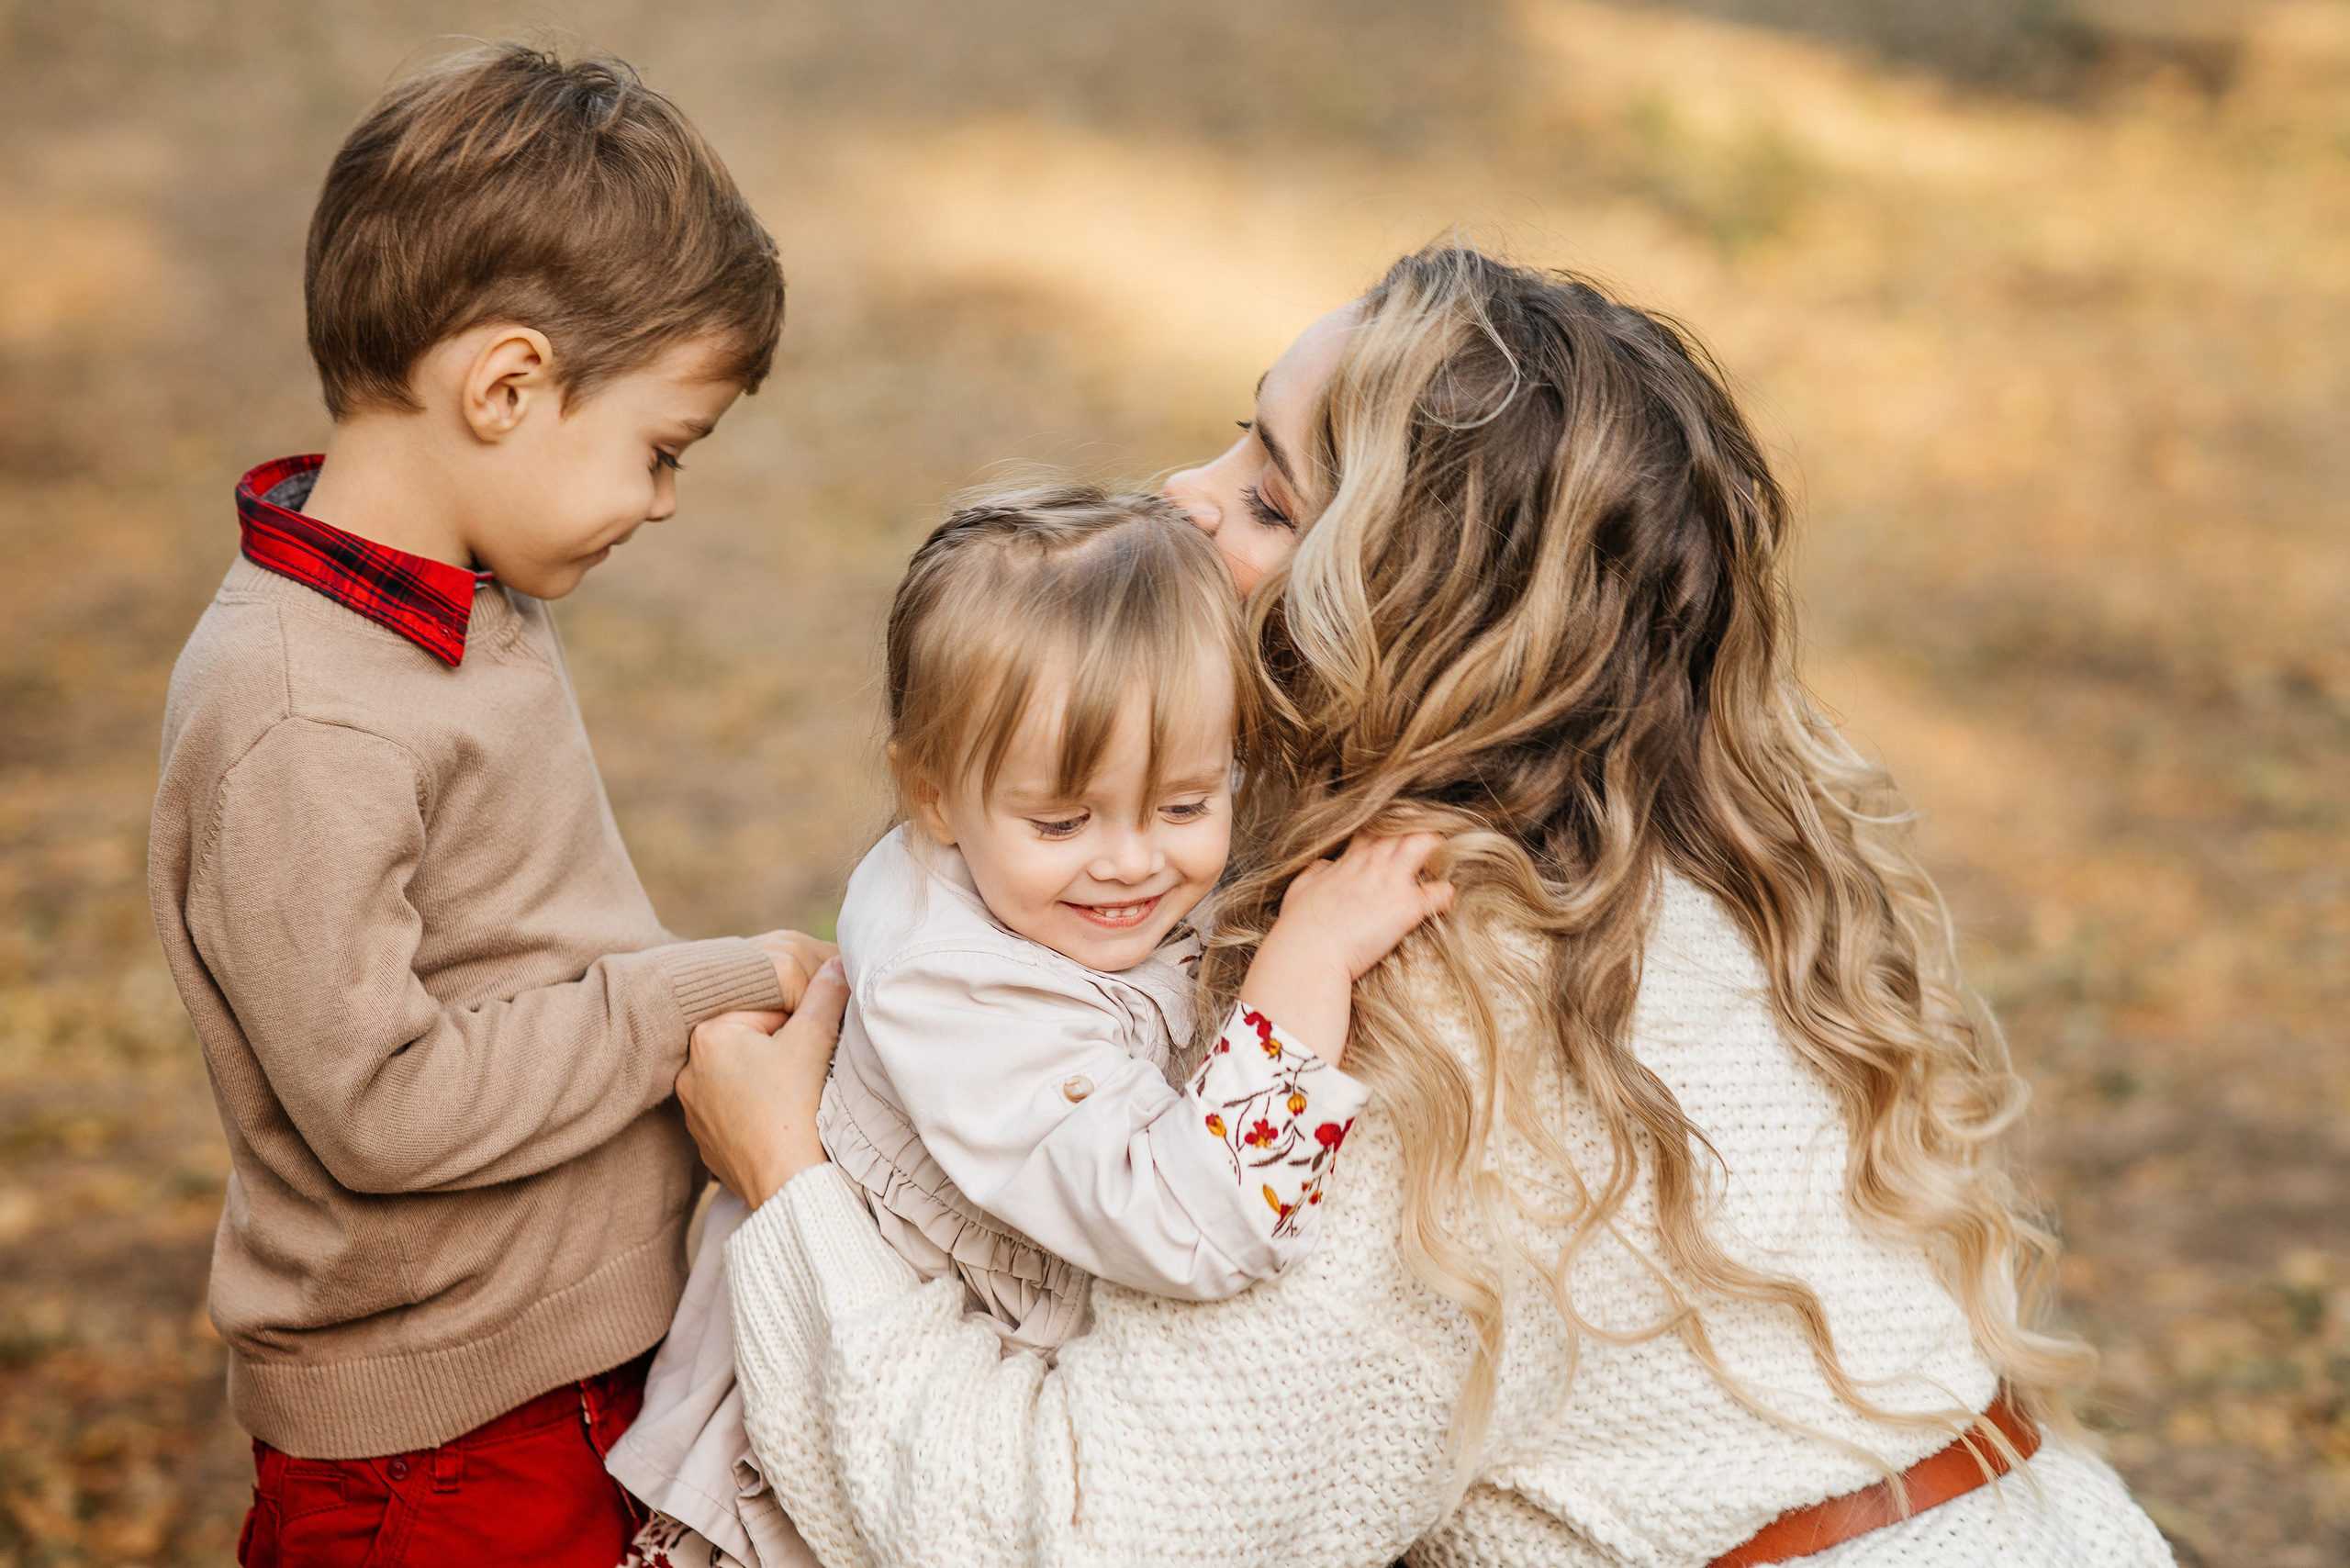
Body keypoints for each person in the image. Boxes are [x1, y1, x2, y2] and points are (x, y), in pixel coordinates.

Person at [678, 248, 2177, 1565]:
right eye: (1230, 440)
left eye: (1268, 497)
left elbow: (1076, 1534)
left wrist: (793, 1186)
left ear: (1386, 622)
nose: (1177, 504)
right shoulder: (1664, 857)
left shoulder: (1426, 1017)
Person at [144, 44, 832, 1568]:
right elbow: (380, 1100)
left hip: (553, 1382)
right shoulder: (302, 711)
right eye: (660, 451)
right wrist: (705, 989)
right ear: (507, 385)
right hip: (439, 1457)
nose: (662, 501)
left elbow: (515, 949)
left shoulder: (457, 604)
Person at [610, 485, 1453, 1567]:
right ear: (931, 795)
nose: (1133, 861)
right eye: (1062, 821)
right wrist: (1310, 958)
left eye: (1187, 805)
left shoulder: (1076, 880)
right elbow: (1194, 1225)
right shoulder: (958, 990)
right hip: (785, 1520)